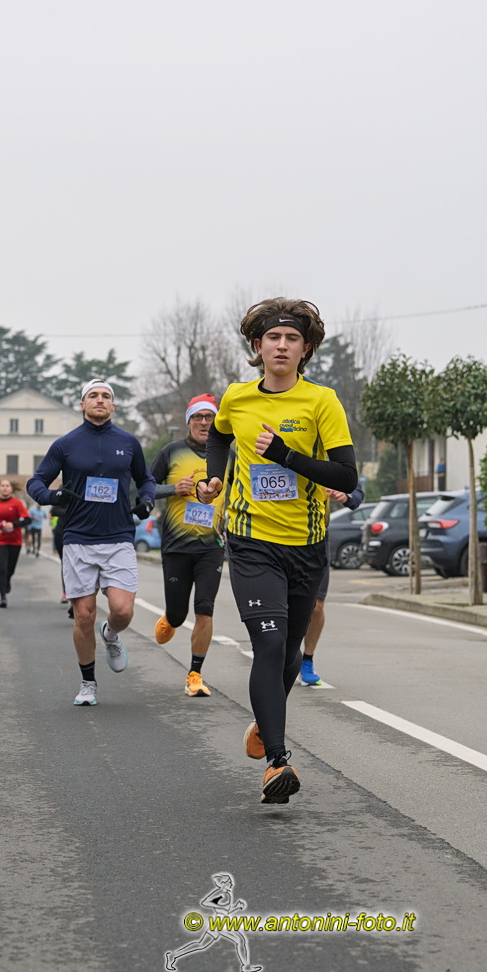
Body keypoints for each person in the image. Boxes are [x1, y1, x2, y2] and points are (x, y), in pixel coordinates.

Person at [196, 298, 357, 803]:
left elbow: (345, 475)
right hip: (251, 542)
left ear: (305, 350)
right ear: (258, 346)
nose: (281, 346)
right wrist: (214, 477)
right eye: (273, 338)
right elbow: (219, 438)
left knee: (289, 653)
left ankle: (263, 726)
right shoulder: (238, 397)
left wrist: (286, 455)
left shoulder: (322, 401)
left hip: (306, 545)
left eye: (292, 339)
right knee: (268, 644)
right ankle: (277, 761)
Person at [28, 379, 155, 706]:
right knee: (83, 616)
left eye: (106, 396)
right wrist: (52, 496)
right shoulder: (66, 444)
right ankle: (88, 684)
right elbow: (36, 482)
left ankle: (110, 633)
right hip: (79, 539)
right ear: (82, 404)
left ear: (113, 405)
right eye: (93, 395)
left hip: (118, 537)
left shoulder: (128, 442)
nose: (100, 400)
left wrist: (147, 500)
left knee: (122, 610)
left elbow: (146, 479)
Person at [150, 393, 228, 697]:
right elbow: (145, 488)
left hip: (212, 546)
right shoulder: (171, 452)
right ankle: (171, 617)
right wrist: (173, 488)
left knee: (205, 610)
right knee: (179, 614)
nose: (204, 422)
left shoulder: (228, 456)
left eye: (210, 417)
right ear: (189, 421)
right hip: (177, 546)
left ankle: (195, 674)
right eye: (198, 417)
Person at [299, 484, 364, 685]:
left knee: (316, 606)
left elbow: (356, 492)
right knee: (283, 605)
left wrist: (346, 496)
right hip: (275, 537)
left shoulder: (326, 465)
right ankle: (282, 655)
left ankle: (307, 660)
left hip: (316, 539)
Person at [0, 479, 30, 608]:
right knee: (1, 568)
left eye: (7, 486)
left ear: (11, 489)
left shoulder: (17, 503)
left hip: (15, 541)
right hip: (0, 540)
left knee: (10, 569)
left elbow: (27, 520)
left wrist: (13, 524)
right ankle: (2, 597)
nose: (5, 488)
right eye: (2, 486)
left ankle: (8, 579)